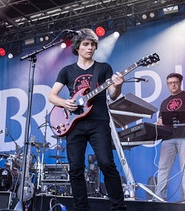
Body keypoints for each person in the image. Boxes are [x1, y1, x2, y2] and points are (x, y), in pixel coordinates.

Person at [48, 28, 126, 211]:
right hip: (74, 124)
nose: (90, 48)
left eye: (92, 44)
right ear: (77, 47)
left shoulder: (103, 68)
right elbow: (52, 96)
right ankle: (81, 208)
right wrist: (65, 103)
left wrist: (118, 86)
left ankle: (119, 207)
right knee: (75, 168)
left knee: (106, 163)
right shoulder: (67, 71)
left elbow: (113, 95)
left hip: (98, 121)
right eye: (86, 44)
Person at [155, 73, 185, 202]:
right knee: (163, 169)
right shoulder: (164, 102)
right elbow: (161, 121)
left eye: (175, 82)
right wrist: (154, 126)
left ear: (180, 83)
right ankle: (159, 199)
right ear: (167, 84)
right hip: (167, 138)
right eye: (170, 82)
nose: (173, 84)